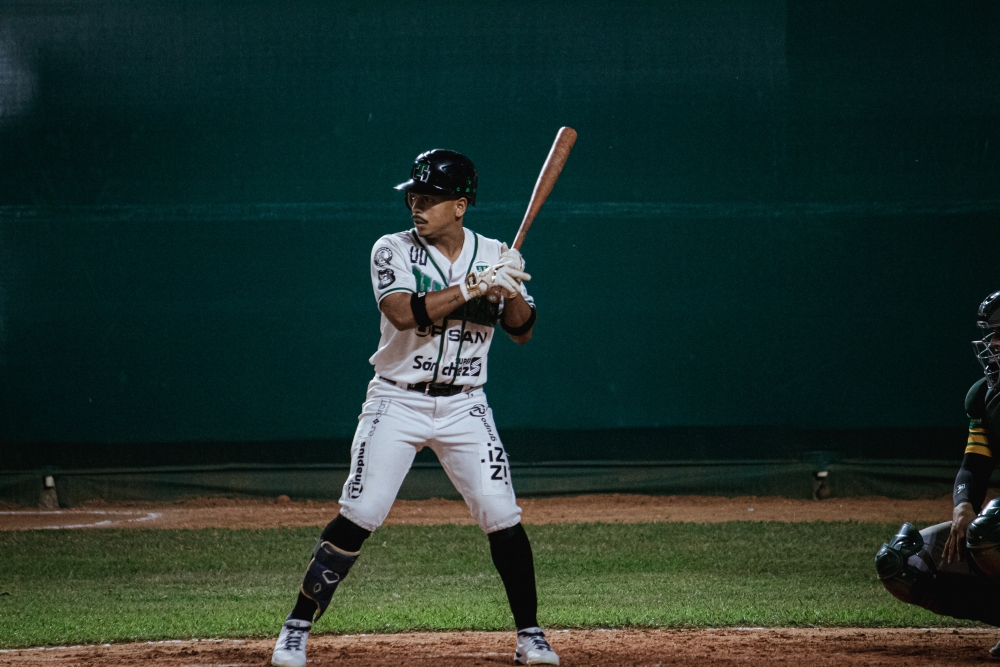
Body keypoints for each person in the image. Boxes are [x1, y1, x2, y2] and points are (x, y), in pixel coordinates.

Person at [270, 149, 560, 667]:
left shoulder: (495, 252)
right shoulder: (393, 249)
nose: (417, 205)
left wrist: (510, 287)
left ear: (461, 206)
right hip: (397, 400)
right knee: (359, 512)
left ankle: (530, 635)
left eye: (430, 198)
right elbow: (402, 314)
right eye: (414, 196)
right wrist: (474, 285)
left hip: (466, 406)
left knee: (503, 516)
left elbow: (522, 331)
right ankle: (296, 627)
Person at [876, 290, 1000, 658]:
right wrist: (963, 504)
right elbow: (975, 464)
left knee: (991, 531)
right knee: (902, 562)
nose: (993, 343)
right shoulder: (985, 397)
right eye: (992, 334)